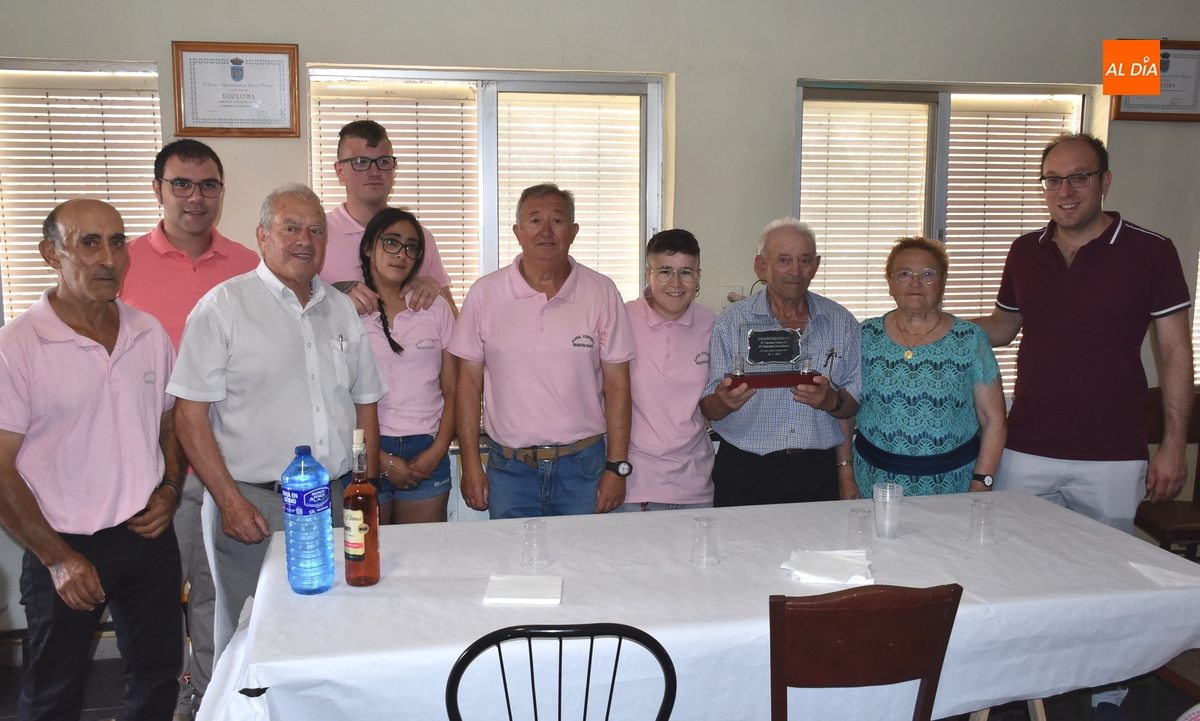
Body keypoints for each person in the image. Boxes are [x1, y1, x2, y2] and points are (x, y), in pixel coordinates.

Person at [169, 184, 387, 663]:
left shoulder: (341, 310)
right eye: (290, 228)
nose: (304, 239)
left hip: (334, 501)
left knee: (334, 626)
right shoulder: (223, 307)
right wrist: (229, 501)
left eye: (316, 230)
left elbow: (365, 403)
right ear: (262, 236)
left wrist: (364, 485)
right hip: (253, 506)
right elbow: (189, 415)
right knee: (245, 639)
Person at [0, 199, 183, 720]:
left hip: (148, 536)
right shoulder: (16, 346)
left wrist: (170, 489)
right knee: (53, 695)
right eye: (89, 243)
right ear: (50, 255)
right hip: (64, 543)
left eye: (117, 241)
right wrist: (57, 558)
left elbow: (169, 425)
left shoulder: (148, 332)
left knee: (157, 678)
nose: (108, 258)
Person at [973, 133, 1194, 534]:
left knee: (1105, 567)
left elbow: (1176, 351)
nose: (1065, 191)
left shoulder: (1152, 251)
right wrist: (934, 326)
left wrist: (1173, 445)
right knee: (1011, 557)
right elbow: (1003, 326)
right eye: (1053, 179)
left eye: (1079, 177)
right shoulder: (1024, 250)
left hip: (1113, 455)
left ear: (1104, 181)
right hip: (1026, 447)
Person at [120, 138, 259, 717]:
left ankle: (207, 698)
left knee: (216, 592)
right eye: (181, 184)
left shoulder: (250, 264)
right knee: (154, 596)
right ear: (157, 189)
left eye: (208, 185)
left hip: (228, 460)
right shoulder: (123, 263)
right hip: (151, 463)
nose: (195, 197)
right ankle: (161, 699)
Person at [450, 183, 636, 518]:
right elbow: (467, 385)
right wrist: (472, 465)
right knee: (511, 554)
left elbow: (618, 386)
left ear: (573, 232)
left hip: (585, 469)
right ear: (518, 232)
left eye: (557, 221)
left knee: (585, 553)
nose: (546, 231)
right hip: (509, 469)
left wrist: (617, 467)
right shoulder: (484, 294)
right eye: (535, 221)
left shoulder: (602, 292)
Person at [701, 219, 861, 506]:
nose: (796, 271)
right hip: (745, 470)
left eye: (805, 260)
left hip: (817, 471)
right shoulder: (730, 323)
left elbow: (853, 404)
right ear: (762, 266)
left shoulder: (842, 322)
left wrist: (831, 401)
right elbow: (709, 408)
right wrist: (724, 402)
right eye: (784, 260)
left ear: (816, 265)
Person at [849, 236, 1006, 498]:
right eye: (904, 274)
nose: (915, 283)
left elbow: (993, 419)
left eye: (927, 274)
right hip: (872, 482)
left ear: (943, 281)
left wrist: (982, 482)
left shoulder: (970, 339)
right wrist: (844, 472)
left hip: (953, 485)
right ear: (890, 283)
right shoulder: (864, 335)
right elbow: (846, 412)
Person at [358, 208, 457, 523]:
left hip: (427, 447)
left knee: (423, 551)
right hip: (367, 449)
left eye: (411, 247)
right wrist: (381, 460)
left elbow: (453, 389)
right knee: (369, 551)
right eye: (391, 242)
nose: (401, 254)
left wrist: (438, 449)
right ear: (368, 247)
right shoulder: (349, 311)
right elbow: (338, 398)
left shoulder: (435, 308)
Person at [616, 229, 717, 512]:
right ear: (648, 274)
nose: (676, 283)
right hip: (636, 482)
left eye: (686, 272)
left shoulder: (712, 323)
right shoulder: (621, 319)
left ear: (698, 276)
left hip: (696, 482)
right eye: (664, 271)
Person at [322, 119, 458, 316]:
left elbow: (457, 325)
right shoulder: (318, 236)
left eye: (383, 162)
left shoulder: (419, 239)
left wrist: (436, 290)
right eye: (361, 162)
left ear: (395, 168)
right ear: (339, 171)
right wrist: (335, 297)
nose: (374, 172)